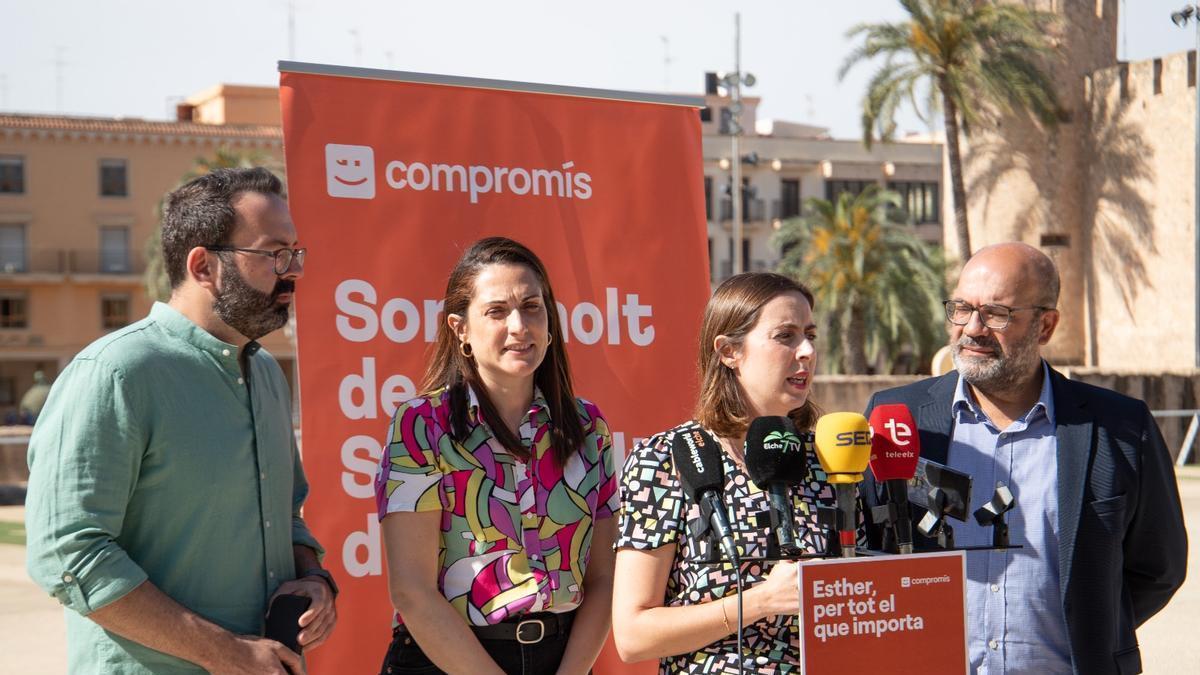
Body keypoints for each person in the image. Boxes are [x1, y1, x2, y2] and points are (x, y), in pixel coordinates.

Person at [25, 167, 337, 674]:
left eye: (295, 253)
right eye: (274, 253)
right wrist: (227, 652)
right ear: (203, 266)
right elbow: (67, 556)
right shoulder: (116, 373)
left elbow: (287, 517)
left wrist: (314, 578)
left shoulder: (265, 373)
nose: (293, 270)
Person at [863, 242, 1187, 675]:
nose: (973, 328)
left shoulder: (1120, 427)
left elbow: (1158, 569)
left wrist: (1091, 628)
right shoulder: (897, 418)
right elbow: (866, 550)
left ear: (1045, 326)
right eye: (962, 308)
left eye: (996, 313)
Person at [374, 237, 618, 675]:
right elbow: (412, 591)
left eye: (532, 306)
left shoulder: (588, 427)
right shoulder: (421, 425)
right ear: (460, 329)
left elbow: (604, 578)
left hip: (562, 660)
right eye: (497, 311)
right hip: (445, 661)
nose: (519, 325)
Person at [612, 272, 831, 674]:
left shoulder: (829, 460)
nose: (806, 351)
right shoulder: (665, 459)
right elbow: (633, 635)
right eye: (786, 336)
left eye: (810, 335)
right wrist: (761, 601)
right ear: (729, 351)